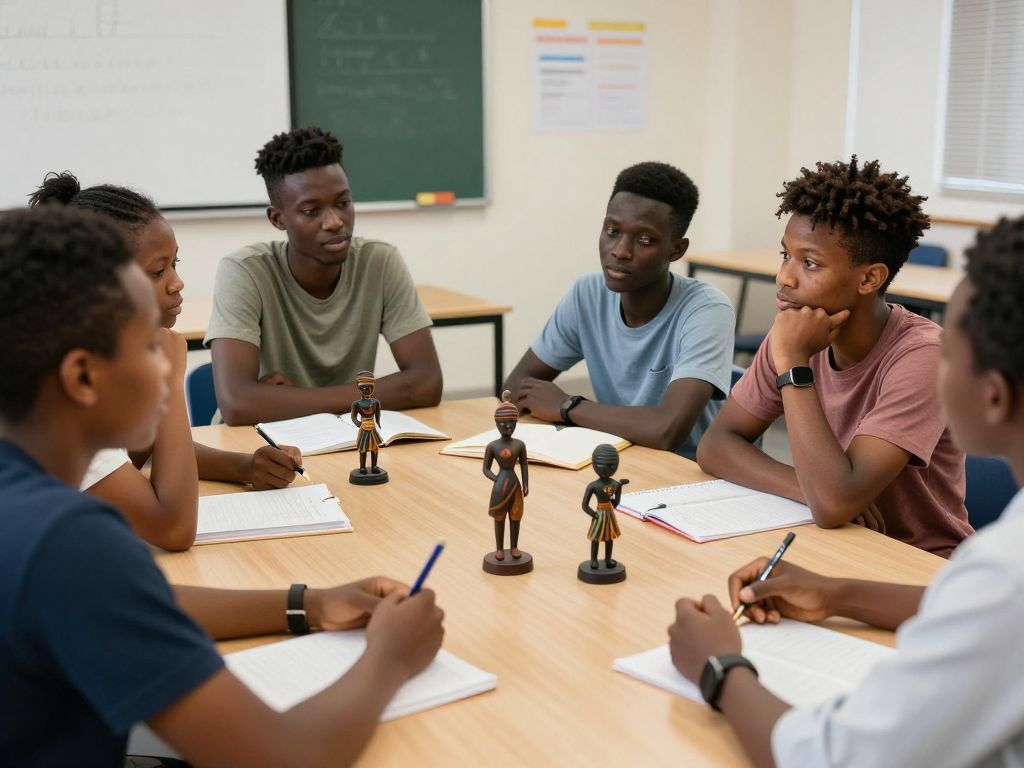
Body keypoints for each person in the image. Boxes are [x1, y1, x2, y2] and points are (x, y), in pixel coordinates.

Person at [0, 206, 445, 767]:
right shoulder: (68, 541)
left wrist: (307, 604)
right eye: (149, 347)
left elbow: (129, 601)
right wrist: (390, 658)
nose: (169, 367)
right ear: (83, 376)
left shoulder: (30, 506)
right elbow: (285, 757)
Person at [668, 215, 1024, 767]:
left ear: (994, 397)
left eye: (951, 349)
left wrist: (719, 667)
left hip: (914, 561)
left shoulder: (1006, 570)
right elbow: (981, 609)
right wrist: (834, 593)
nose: (785, 278)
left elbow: (830, 758)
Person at [697, 156, 971, 556]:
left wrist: (793, 362)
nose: (784, 277)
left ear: (869, 278)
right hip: (839, 543)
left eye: (809, 263)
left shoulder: (924, 357)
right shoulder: (794, 329)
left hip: (919, 566)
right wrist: (804, 488)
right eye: (785, 256)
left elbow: (834, 503)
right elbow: (716, 445)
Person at [28, 172, 303, 552]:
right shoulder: (61, 396)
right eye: (157, 272)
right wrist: (170, 382)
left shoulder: (87, 354)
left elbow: (137, 448)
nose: (177, 283)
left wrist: (243, 467)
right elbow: (173, 530)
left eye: (175, 264)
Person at [206, 126, 443, 425]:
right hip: (260, 443)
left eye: (343, 203)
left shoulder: (380, 261)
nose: (334, 222)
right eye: (311, 210)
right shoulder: (245, 271)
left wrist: (287, 399)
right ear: (278, 219)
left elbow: (426, 384)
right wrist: (368, 396)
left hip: (343, 435)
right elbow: (238, 405)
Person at [503, 162, 734, 459]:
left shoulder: (706, 310)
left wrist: (568, 406)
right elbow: (514, 388)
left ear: (676, 250)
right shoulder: (587, 294)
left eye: (644, 240)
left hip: (687, 472)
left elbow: (667, 430)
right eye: (612, 231)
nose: (620, 250)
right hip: (618, 457)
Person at [482, 392, 529, 561]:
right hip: (500, 486)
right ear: (496, 423)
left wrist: (525, 484)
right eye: (503, 424)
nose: (507, 427)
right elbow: (486, 469)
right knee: (499, 518)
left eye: (511, 424)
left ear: (516, 423)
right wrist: (496, 479)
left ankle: (514, 546)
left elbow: (524, 464)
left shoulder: (519, 444)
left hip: (514, 485)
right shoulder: (492, 446)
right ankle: (500, 549)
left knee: (515, 516)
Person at [580, 444, 628, 569]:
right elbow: (584, 505)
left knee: (609, 537)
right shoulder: (593, 486)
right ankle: (594, 560)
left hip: (608, 513)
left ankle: (607, 559)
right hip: (600, 513)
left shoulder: (614, 484)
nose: (607, 469)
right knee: (595, 537)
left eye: (611, 466)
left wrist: (620, 488)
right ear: (595, 465)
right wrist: (594, 515)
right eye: (604, 466)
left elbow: (615, 504)